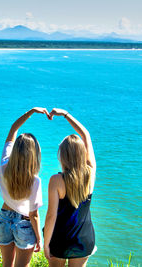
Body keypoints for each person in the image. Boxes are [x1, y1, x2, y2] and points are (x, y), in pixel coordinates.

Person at [0, 107, 49, 267]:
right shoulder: (35, 181)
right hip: (24, 223)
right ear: (34, 156)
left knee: (6, 265)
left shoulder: (4, 165)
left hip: (3, 218)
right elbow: (34, 214)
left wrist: (30, 112)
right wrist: (39, 238)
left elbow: (13, 129)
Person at [43, 108, 97, 267]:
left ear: (63, 156)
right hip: (84, 239)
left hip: (60, 239)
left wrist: (46, 244)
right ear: (82, 154)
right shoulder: (90, 175)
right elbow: (86, 136)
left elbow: (51, 216)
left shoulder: (56, 180)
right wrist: (66, 115)